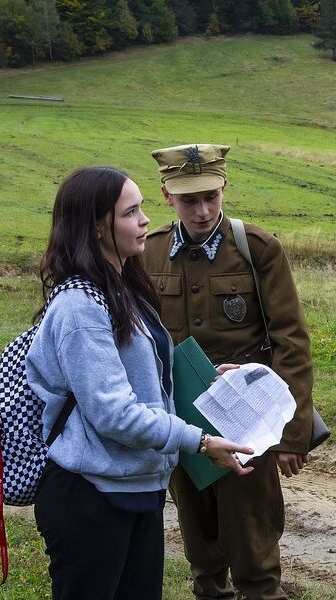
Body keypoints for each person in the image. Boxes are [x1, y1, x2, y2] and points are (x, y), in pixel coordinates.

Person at [25, 166, 254, 600]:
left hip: (137, 488)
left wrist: (209, 384)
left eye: (142, 208)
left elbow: (149, 383)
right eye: (131, 212)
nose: (146, 220)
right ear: (96, 228)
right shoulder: (82, 307)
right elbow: (114, 413)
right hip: (91, 496)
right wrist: (202, 442)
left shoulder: (122, 288)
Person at [142, 144, 314, 600]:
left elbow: (291, 343)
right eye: (188, 200)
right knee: (201, 553)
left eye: (210, 197)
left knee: (254, 552)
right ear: (166, 196)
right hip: (182, 424)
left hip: (248, 424)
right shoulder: (150, 253)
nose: (201, 211)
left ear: (225, 188)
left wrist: (292, 435)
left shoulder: (256, 249)